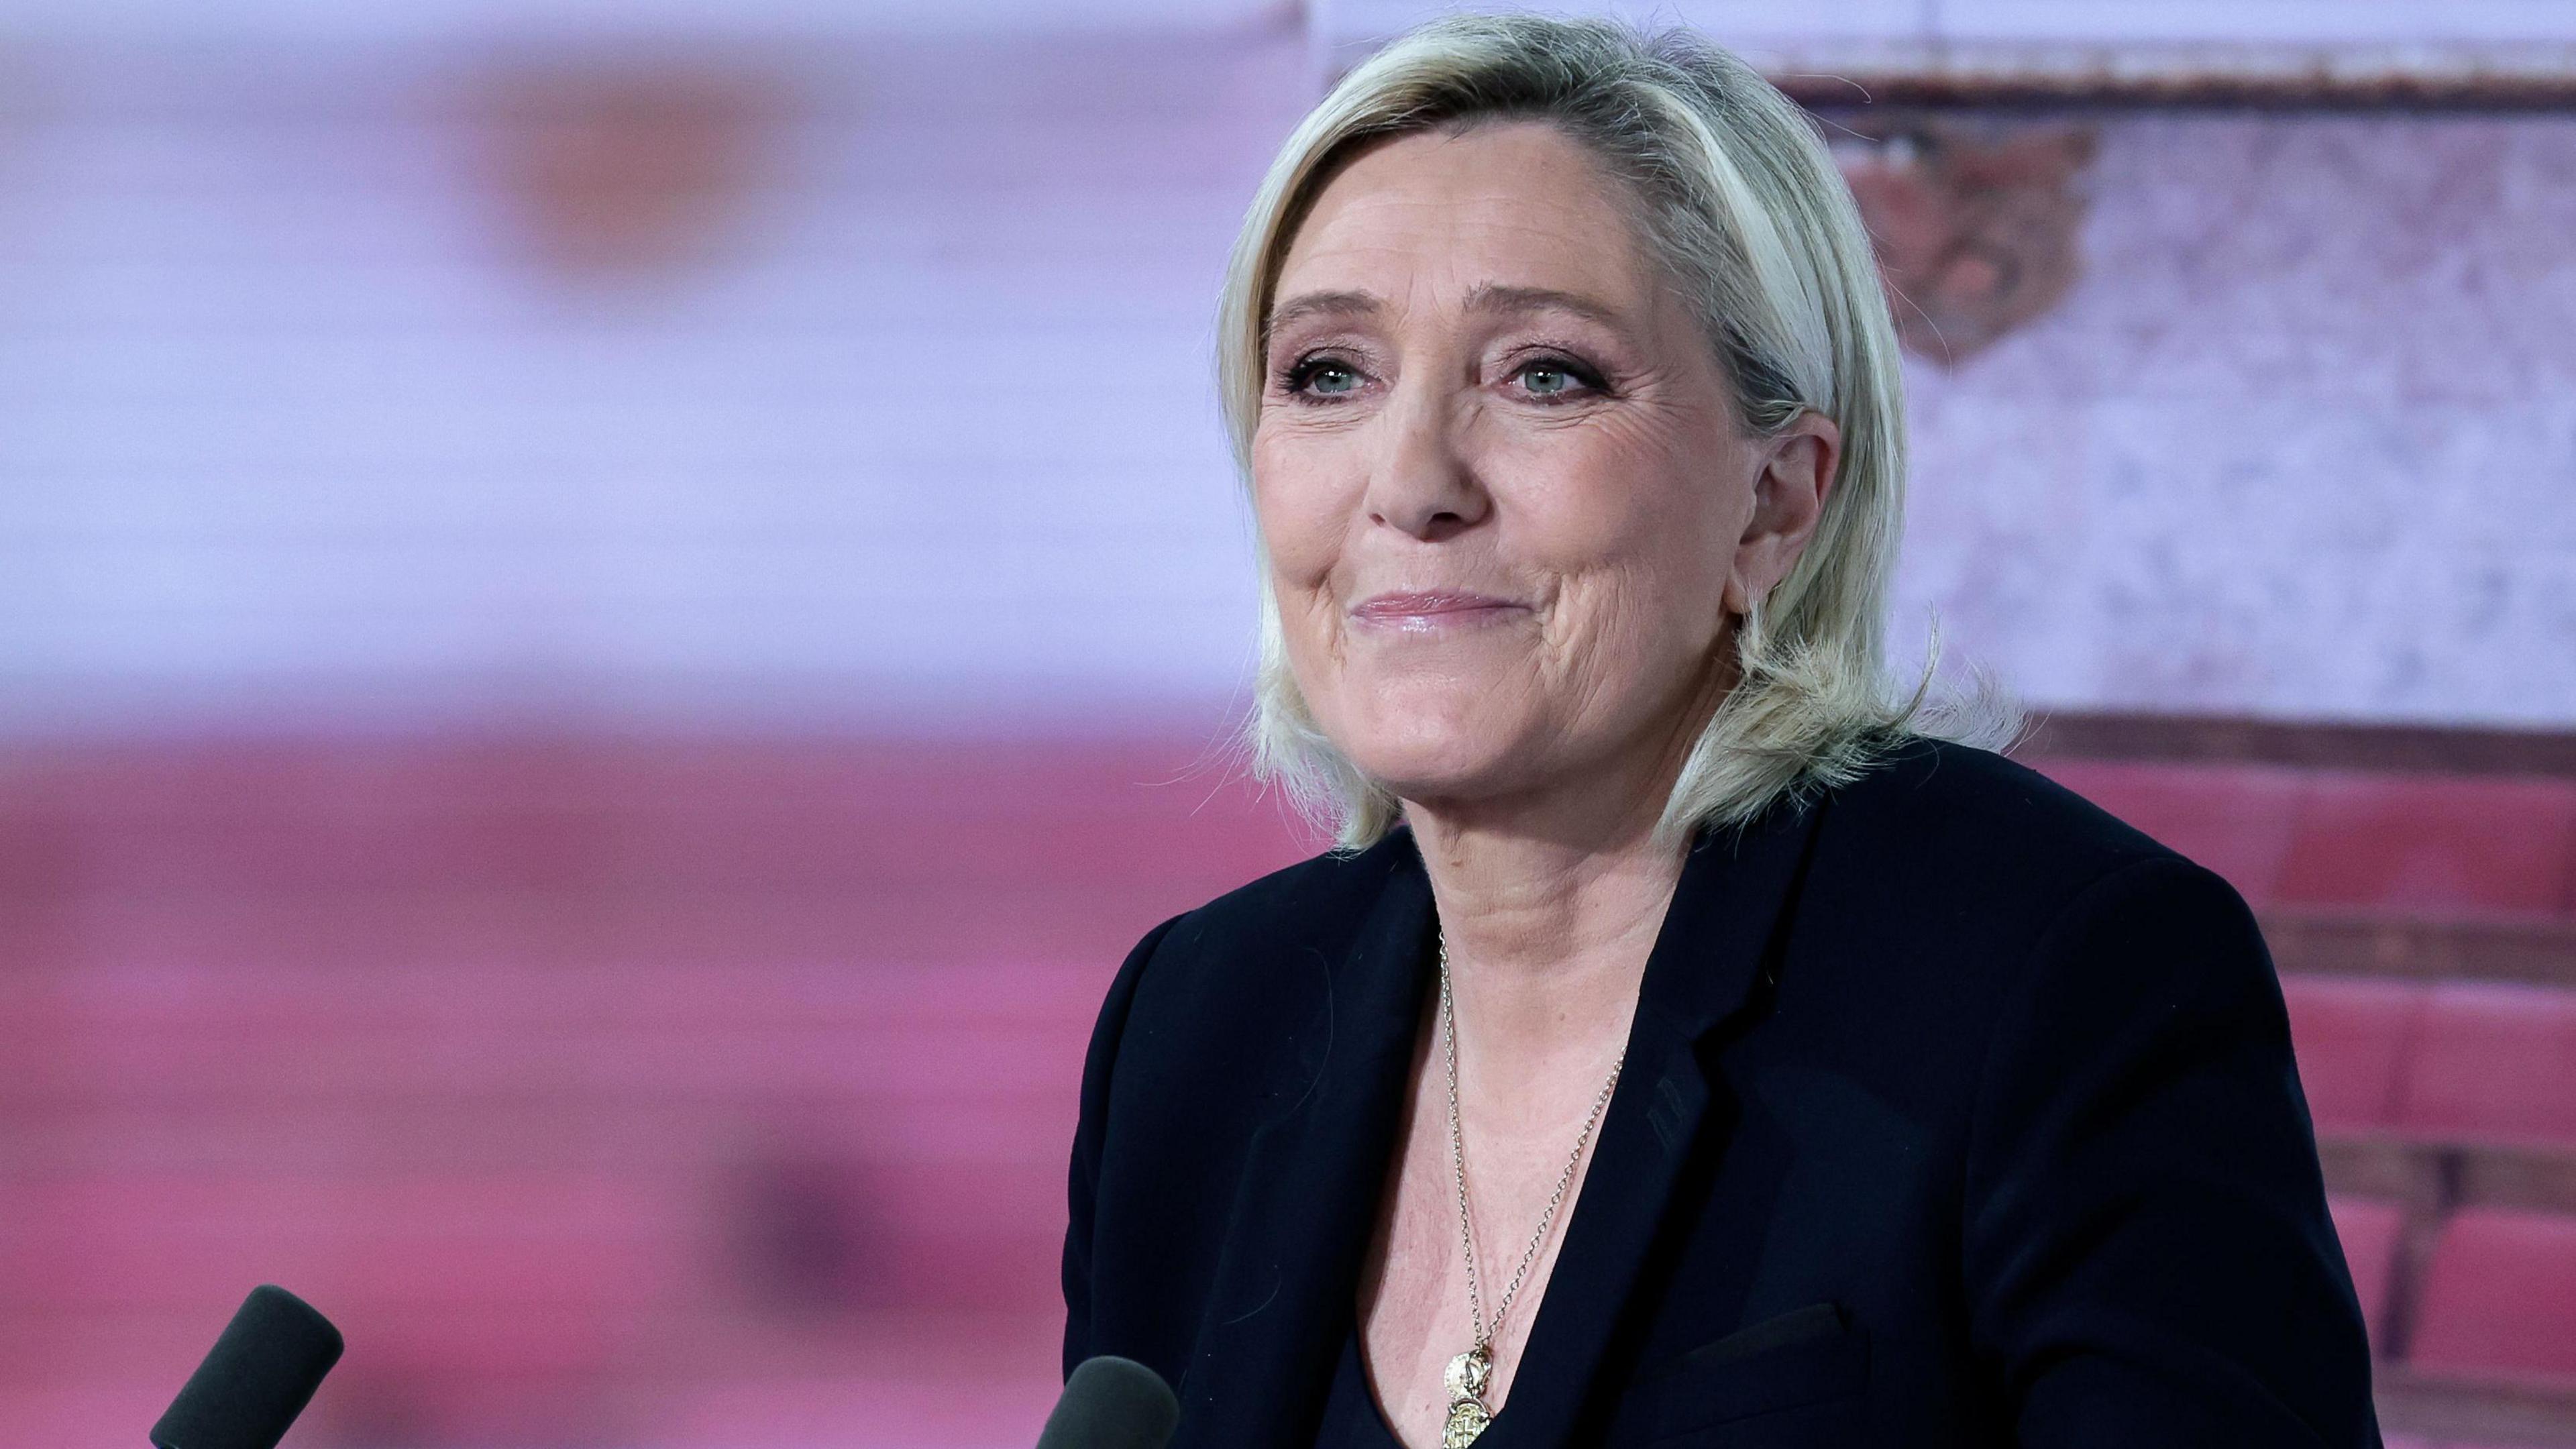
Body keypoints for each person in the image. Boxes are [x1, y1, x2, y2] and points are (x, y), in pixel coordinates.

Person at [1059, 13, 2380, 1448]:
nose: (1414, 483)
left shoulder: (2055, 981)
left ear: (1779, 500)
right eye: (1329, 375)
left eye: (1543, 374)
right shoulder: (1199, 1025)